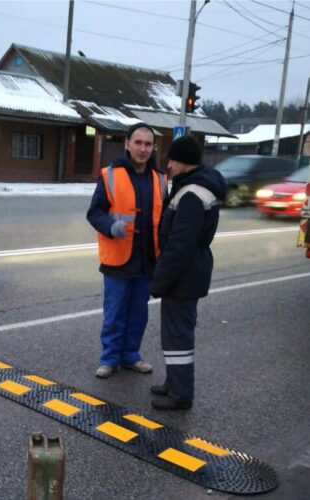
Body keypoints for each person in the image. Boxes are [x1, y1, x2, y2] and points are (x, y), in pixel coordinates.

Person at [150, 136, 226, 410]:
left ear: (183, 162)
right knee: (175, 335)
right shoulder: (194, 186)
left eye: (171, 159)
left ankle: (180, 395)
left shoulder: (192, 193)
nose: (168, 165)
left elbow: (180, 245)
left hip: (184, 276)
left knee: (178, 337)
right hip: (189, 272)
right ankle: (174, 383)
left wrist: (159, 281)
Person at [87, 123, 168, 379]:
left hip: (147, 259)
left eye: (148, 144)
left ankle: (130, 355)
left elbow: (164, 217)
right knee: (115, 312)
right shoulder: (111, 175)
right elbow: (94, 212)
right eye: (138, 143)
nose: (143, 149)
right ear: (127, 144)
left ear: (153, 147)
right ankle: (109, 358)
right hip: (118, 259)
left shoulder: (160, 179)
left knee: (138, 313)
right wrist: (111, 226)